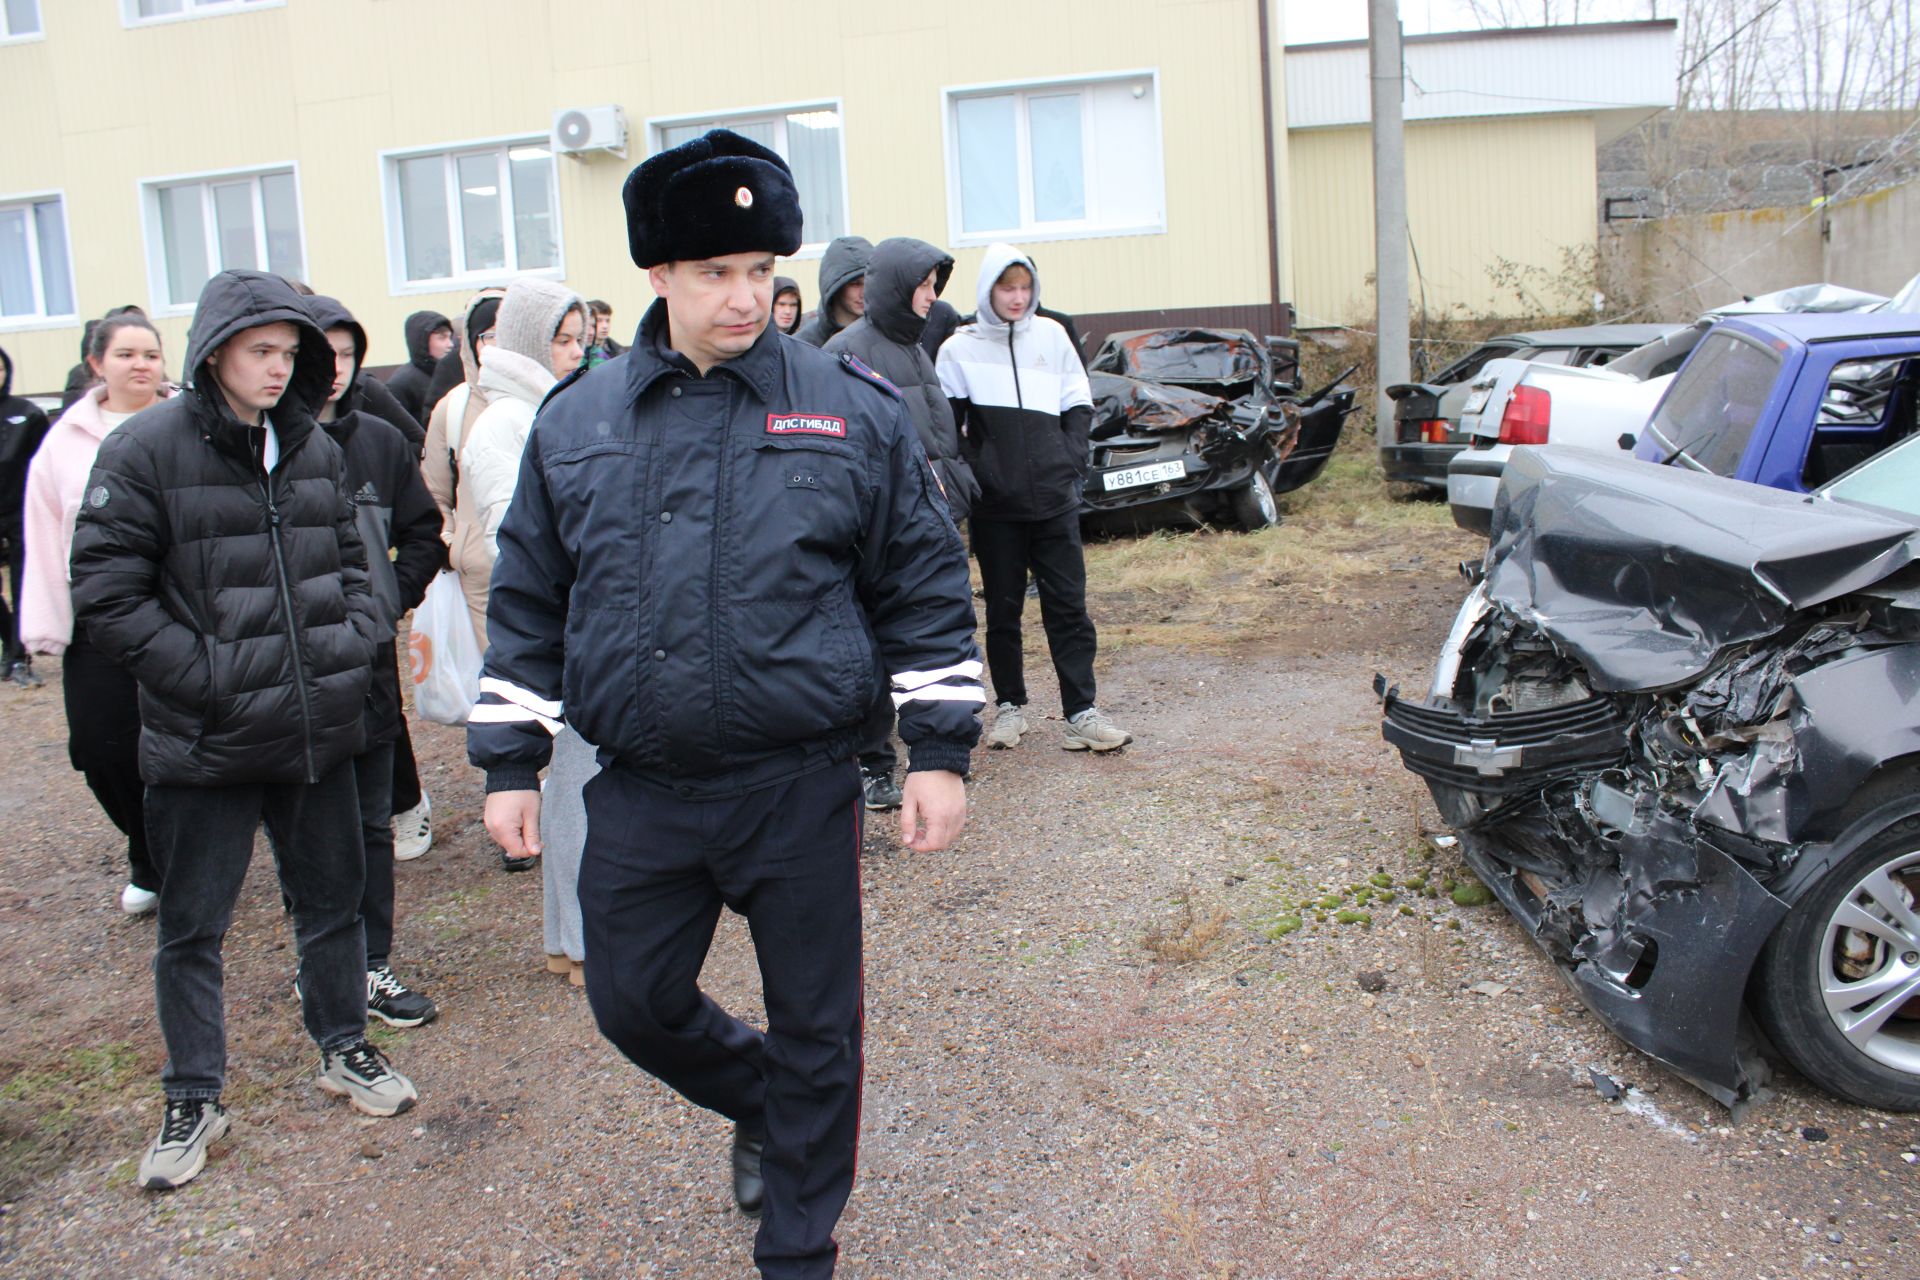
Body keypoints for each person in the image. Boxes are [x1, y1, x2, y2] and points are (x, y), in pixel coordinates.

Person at [471, 130, 981, 1279]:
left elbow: (922, 579)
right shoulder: (579, 419)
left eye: (761, 268)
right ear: (658, 276)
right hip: (646, 787)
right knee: (632, 1001)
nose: (746, 296)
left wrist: (940, 745)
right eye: (715, 273)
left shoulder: (846, 405)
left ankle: (797, 1249)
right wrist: (510, 758)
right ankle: (766, 1097)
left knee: (821, 1029)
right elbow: (532, 597)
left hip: (796, 784)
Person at [69, 269, 418, 1192]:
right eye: (262, 351)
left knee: (334, 903)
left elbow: (356, 564)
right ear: (216, 350)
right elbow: (107, 596)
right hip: (206, 742)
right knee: (192, 925)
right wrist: (211, 678)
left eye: (290, 354)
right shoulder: (144, 450)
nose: (279, 370)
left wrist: (348, 647)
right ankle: (193, 1092)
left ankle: (345, 1045)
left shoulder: (313, 449)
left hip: (314, 733)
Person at [310, 296, 447, 1026]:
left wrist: (385, 604)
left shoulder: (380, 443)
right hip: (279, 674)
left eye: (344, 353)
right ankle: (320, 966)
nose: (332, 369)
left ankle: (369, 966)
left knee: (368, 823)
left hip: (364, 666)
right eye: (318, 351)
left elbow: (425, 534)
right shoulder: (255, 446)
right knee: (307, 827)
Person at [937, 245, 1132, 753]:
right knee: (1003, 611)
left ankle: (1081, 712)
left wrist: (1069, 458)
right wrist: (982, 473)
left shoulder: (1053, 335)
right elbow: (949, 427)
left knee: (1068, 608)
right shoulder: (959, 348)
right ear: (988, 290)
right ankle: (1009, 708)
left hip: (1055, 500)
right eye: (1007, 288)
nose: (1018, 298)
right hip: (997, 509)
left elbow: (1078, 403)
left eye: (1025, 288)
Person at [824, 237, 980, 811]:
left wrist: (959, 484)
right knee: (871, 649)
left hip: (932, 520)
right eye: (922, 284)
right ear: (895, 285)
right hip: (881, 526)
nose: (931, 296)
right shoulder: (848, 350)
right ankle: (874, 764)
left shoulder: (915, 347)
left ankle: (935, 753)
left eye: (935, 286)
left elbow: (936, 435)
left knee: (934, 636)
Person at [20, 316, 171, 912]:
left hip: (180, 611)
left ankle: (191, 851)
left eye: (152, 354)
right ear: (96, 364)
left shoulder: (189, 423)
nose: (141, 365)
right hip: (100, 618)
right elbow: (42, 529)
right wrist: (47, 624)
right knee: (100, 744)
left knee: (199, 738)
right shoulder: (64, 441)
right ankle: (148, 849)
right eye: (126, 354)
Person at [420, 289, 505, 650]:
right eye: (489, 336)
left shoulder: (554, 398)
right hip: (480, 574)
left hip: (549, 570)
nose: (498, 346)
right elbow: (434, 491)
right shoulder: (452, 408)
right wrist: (454, 543)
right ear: (472, 344)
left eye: (507, 334)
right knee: (497, 678)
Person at [1, 344, 51, 688]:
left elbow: (43, 466)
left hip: (20, 512)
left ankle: (20, 657)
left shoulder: (27, 414)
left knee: (22, 585)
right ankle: (9, 640)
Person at [61, 305, 147, 412]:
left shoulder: (153, 371)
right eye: (125, 355)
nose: (141, 365)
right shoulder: (80, 376)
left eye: (151, 356)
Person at [791, 234, 871, 347]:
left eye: (868, 282)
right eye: (855, 284)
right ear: (836, 286)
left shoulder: (885, 336)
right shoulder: (803, 345)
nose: (864, 292)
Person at [383, 310, 452, 427]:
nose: (450, 344)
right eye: (442, 338)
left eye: (450, 337)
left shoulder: (449, 373)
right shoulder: (401, 383)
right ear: (422, 340)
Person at [583, 299, 626, 368]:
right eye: (599, 320)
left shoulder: (621, 353)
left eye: (607, 321)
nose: (605, 326)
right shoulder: (578, 354)